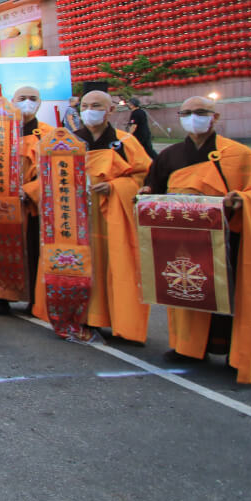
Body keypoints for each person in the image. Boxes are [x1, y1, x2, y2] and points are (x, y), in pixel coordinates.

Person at [144, 97, 251, 384]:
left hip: (228, 239)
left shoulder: (237, 154)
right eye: (186, 113)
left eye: (200, 112)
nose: (193, 117)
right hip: (184, 241)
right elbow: (153, 188)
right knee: (187, 289)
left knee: (231, 297)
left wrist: (242, 200)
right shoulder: (169, 156)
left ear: (214, 117)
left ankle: (236, 353)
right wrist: (145, 192)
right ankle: (189, 347)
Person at [49, 90, 151, 343]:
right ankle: (83, 318)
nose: (90, 110)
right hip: (76, 220)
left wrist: (116, 187)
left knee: (120, 268)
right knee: (81, 267)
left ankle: (123, 323)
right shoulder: (68, 142)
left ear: (110, 110)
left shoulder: (125, 142)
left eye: (97, 105)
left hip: (114, 219)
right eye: (85, 105)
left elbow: (145, 178)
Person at [6, 85, 51, 316]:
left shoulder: (48, 134)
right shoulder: (0, 132)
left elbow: (57, 171)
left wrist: (31, 190)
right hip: (3, 202)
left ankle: (35, 298)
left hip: (32, 203)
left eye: (33, 98)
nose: (27, 102)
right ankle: (3, 296)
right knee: (2, 248)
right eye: (21, 98)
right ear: (12, 101)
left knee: (33, 251)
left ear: (40, 103)